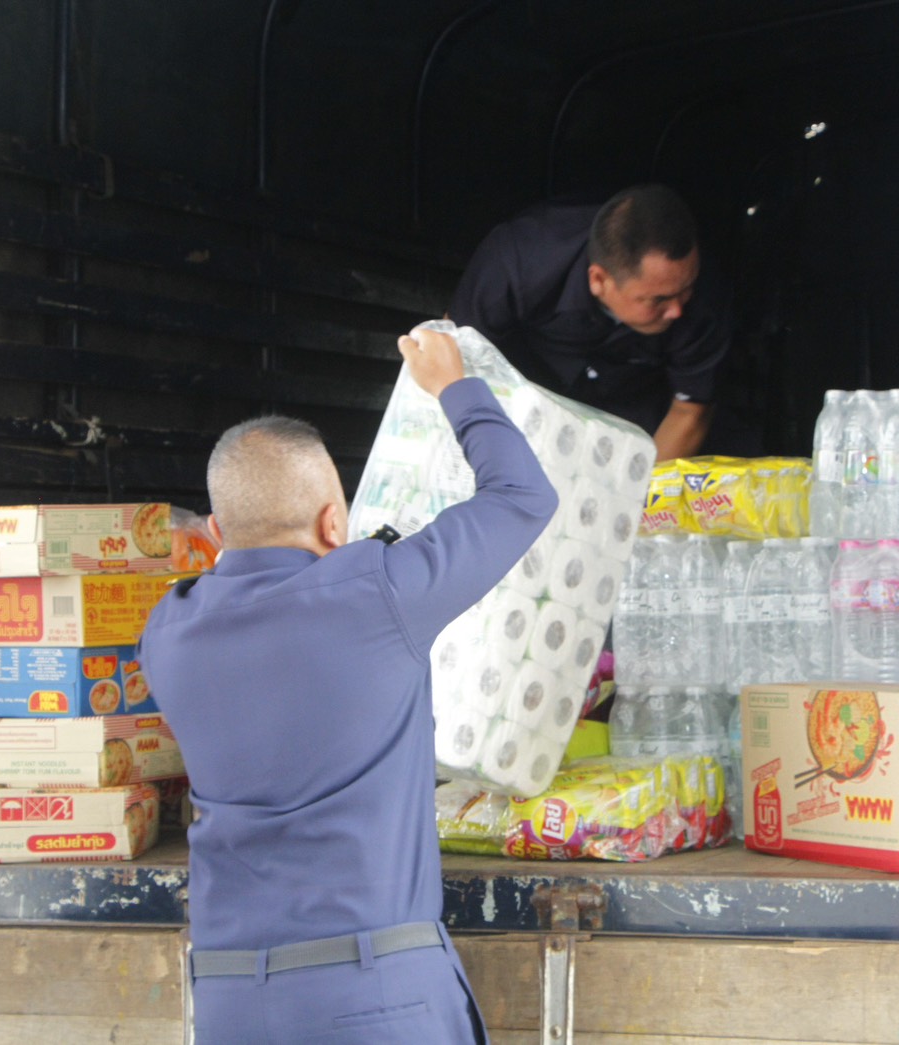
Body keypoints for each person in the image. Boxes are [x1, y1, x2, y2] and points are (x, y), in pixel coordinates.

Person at [137, 326, 557, 1044]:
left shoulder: (166, 631)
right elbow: (521, 494)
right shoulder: (375, 594)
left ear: (215, 531)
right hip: (374, 996)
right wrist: (452, 384)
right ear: (335, 522)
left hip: (230, 1002)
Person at [449, 183, 733, 461]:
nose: (677, 310)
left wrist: (642, 488)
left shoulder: (705, 294)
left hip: (635, 410)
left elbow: (689, 412)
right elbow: (454, 354)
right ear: (599, 280)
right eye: (658, 300)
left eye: (686, 290)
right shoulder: (521, 257)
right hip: (524, 391)